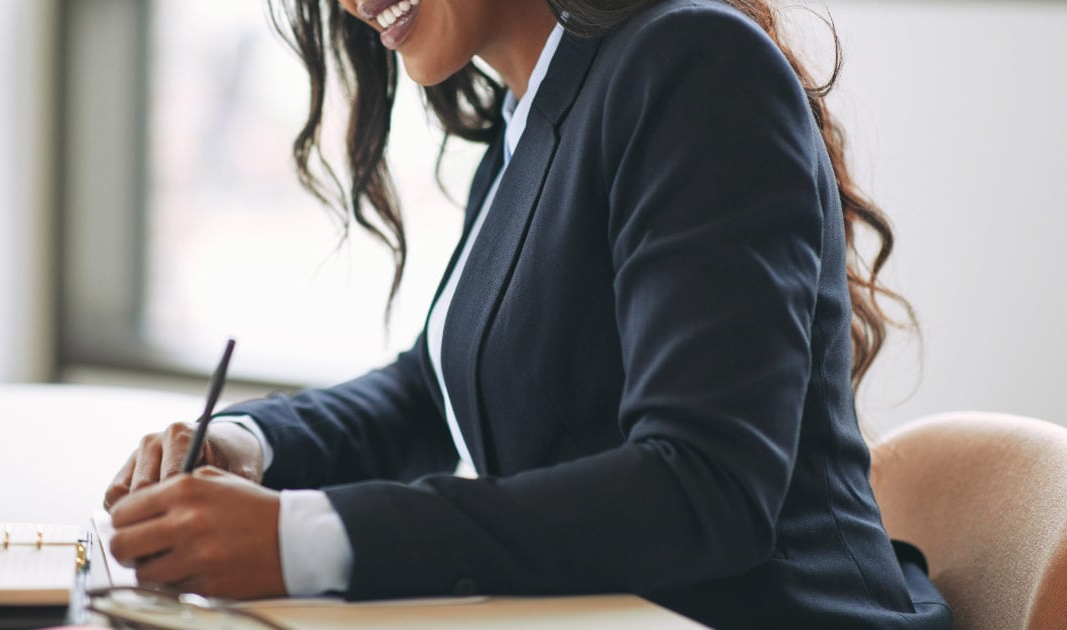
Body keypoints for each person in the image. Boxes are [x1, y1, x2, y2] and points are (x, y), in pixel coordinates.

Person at [103, 0, 953, 626]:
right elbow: (431, 392)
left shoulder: (693, 63)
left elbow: (704, 488)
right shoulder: (530, 116)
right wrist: (250, 445)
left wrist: (305, 539)